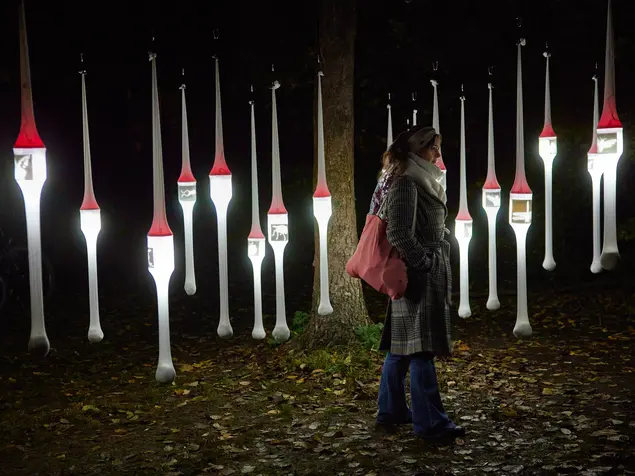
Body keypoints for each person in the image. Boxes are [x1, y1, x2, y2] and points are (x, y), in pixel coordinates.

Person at [373, 126, 464, 441]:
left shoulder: (420, 179)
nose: (438, 154)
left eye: (438, 147)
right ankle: (431, 423)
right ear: (416, 151)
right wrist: (422, 262)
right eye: (433, 148)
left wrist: (442, 237)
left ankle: (392, 410)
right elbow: (398, 231)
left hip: (419, 270)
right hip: (416, 275)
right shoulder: (407, 183)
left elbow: (425, 223)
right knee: (421, 348)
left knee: (401, 347)